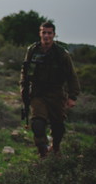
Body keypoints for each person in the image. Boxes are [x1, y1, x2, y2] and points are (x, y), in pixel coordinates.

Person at [20, 21, 80, 158]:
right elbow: (25, 70)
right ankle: (43, 152)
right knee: (37, 124)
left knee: (58, 126)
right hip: (37, 93)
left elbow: (72, 75)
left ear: (54, 34)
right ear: (40, 33)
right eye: (44, 32)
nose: (46, 36)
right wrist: (23, 88)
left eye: (49, 33)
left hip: (56, 93)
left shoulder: (61, 53)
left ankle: (56, 147)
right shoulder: (33, 50)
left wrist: (72, 96)